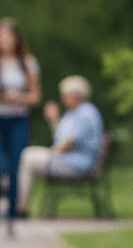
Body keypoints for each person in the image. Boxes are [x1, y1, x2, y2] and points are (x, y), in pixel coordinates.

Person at [0, 19, 40, 235]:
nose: (5, 40)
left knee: (13, 170)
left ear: (16, 38)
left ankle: (11, 216)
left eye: (9, 36)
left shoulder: (28, 62)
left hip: (18, 120)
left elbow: (35, 96)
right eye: (1, 36)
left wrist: (16, 97)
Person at [16, 75, 104, 215]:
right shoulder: (73, 113)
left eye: (65, 95)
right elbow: (60, 140)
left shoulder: (86, 113)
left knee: (28, 157)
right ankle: (21, 206)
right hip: (68, 160)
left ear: (76, 95)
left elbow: (66, 145)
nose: (62, 98)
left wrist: (52, 151)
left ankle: (21, 207)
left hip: (79, 164)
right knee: (27, 154)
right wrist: (54, 119)